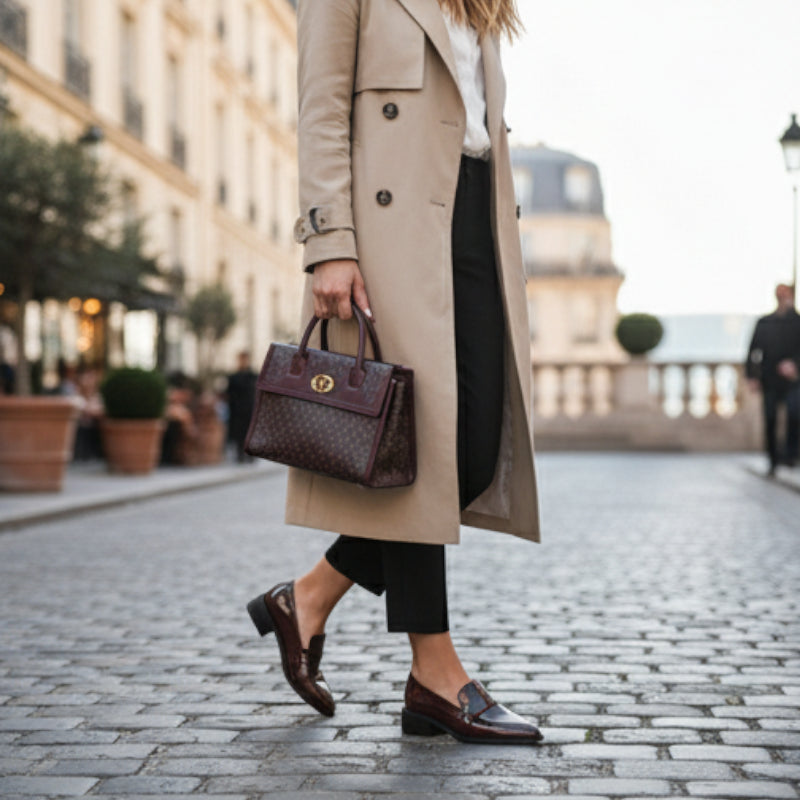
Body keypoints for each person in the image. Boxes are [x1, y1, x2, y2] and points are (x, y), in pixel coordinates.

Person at [247, 0, 543, 744]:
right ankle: (435, 675)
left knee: (472, 452)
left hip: (473, 211)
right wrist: (329, 241)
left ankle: (310, 594)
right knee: (418, 455)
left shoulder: (476, 4)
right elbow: (319, 107)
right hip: (388, 232)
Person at [746, 283, 800, 476]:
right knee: (770, 418)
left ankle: (791, 455)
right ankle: (773, 459)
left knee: (794, 414)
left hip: (793, 380)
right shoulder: (765, 322)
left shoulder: (797, 321)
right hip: (769, 379)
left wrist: (794, 364)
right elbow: (752, 351)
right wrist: (752, 376)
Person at [225, 351, 257, 463]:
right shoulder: (233, 377)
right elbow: (229, 393)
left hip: (250, 408)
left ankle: (250, 455)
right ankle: (239, 455)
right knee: (239, 433)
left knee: (250, 433)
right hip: (237, 410)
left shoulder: (253, 376)